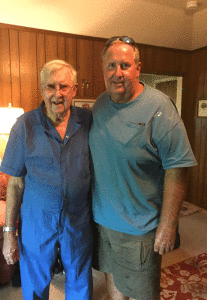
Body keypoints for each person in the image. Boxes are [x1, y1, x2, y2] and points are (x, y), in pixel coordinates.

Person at [89, 36, 197, 300]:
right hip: (102, 223)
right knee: (114, 287)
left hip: (140, 227)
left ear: (138, 68)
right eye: (111, 65)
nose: (118, 73)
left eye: (125, 65)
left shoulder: (160, 107)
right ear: (103, 69)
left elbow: (178, 167)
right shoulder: (100, 104)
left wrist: (168, 225)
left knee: (141, 294)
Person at [1, 60, 93, 300]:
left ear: (74, 90)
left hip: (78, 222)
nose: (57, 94)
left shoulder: (88, 121)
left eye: (64, 86)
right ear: (42, 89)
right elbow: (15, 183)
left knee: (80, 283)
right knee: (34, 286)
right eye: (50, 87)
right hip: (37, 223)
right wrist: (9, 232)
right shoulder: (24, 126)